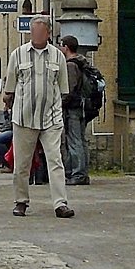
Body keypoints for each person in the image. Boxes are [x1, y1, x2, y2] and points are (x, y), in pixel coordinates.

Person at [3, 14, 74, 218]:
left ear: (48, 33)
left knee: (55, 160)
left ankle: (60, 203)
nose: (37, 35)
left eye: (41, 32)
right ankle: (21, 201)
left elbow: (63, 88)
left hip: (51, 117)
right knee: (22, 163)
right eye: (34, 32)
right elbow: (10, 87)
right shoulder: (18, 55)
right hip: (24, 117)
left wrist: (57, 109)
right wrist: (9, 103)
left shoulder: (58, 56)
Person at [59, 35, 90, 186]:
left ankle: (78, 173)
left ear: (66, 47)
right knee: (81, 140)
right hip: (81, 106)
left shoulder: (71, 65)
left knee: (74, 141)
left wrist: (61, 103)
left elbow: (69, 89)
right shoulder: (81, 62)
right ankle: (82, 172)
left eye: (61, 45)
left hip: (73, 108)